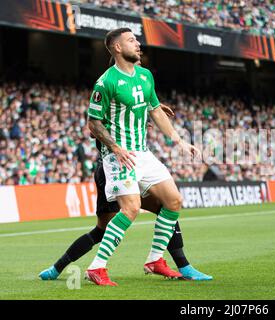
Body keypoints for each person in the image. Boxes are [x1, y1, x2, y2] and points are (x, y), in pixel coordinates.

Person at [38, 106, 212, 281]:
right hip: (111, 169)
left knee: (167, 206)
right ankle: (57, 268)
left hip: (132, 164)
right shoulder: (106, 101)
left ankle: (182, 266)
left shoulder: (131, 102)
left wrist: (146, 113)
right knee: (102, 230)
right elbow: (94, 129)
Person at [84, 27, 201, 286]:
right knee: (131, 208)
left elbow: (156, 111)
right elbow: (93, 123)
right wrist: (115, 148)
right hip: (119, 156)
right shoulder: (106, 82)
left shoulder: (146, 76)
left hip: (143, 154)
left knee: (173, 201)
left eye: (136, 39)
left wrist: (179, 141)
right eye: (131, 40)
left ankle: (155, 259)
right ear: (116, 48)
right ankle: (97, 267)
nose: (138, 44)